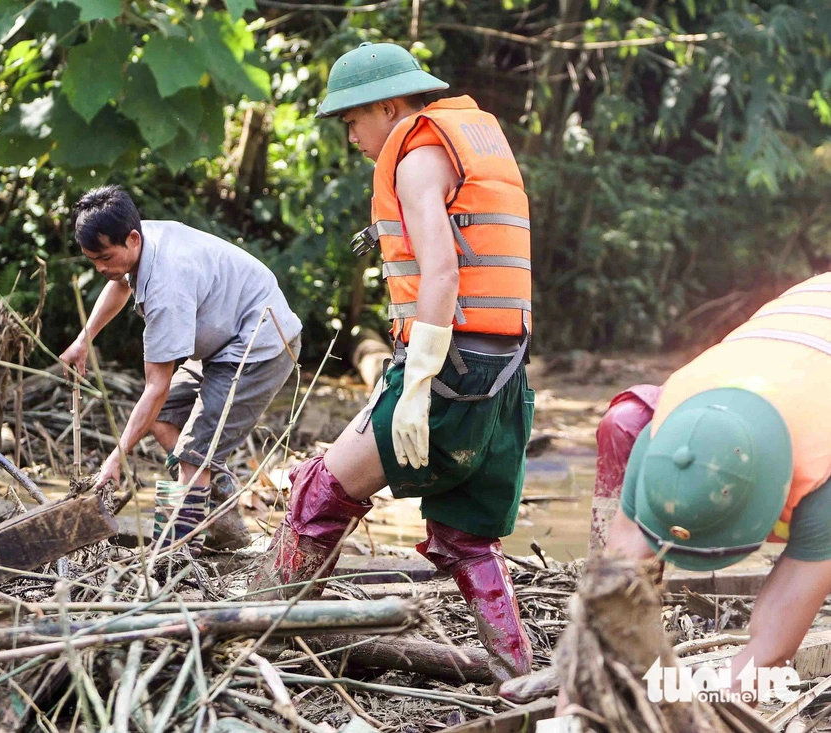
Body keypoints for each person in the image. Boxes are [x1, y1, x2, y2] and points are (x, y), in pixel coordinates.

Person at [246, 42, 536, 682]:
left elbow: (441, 273)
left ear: (387, 105)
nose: (350, 136)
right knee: (465, 537)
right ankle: (519, 676)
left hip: (449, 368)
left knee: (317, 493)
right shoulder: (470, 142)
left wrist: (416, 385)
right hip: (504, 369)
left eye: (352, 120)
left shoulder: (415, 157)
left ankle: (255, 633)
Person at [587, 272, 831, 698]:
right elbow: (616, 578)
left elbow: (772, 648)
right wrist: (583, 686)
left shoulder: (821, 468)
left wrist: (691, 711)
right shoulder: (665, 436)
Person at [59, 185, 302, 551]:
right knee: (165, 419)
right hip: (224, 342)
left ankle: (171, 554)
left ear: (132, 238)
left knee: (191, 455)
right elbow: (121, 283)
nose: (100, 268)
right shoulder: (140, 242)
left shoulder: (165, 289)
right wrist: (84, 338)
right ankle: (224, 519)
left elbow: (155, 387)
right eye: (92, 260)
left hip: (260, 346)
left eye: (105, 257)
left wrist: (116, 458)